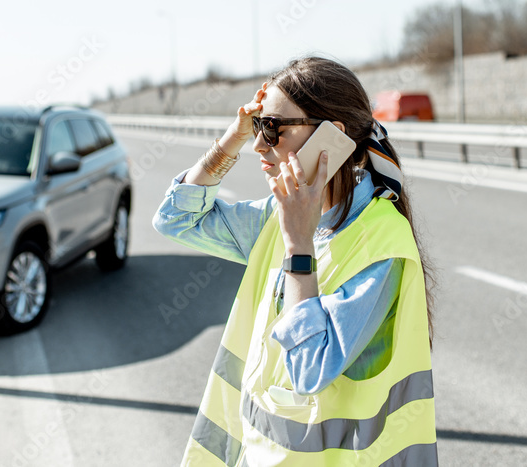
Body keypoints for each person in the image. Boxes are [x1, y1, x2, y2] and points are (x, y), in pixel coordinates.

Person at [152, 56, 438, 466]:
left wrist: (298, 246)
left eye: (272, 128)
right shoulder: (276, 216)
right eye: (257, 126)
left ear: (332, 139)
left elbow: (309, 371)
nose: (258, 145)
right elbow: (175, 219)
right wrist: (231, 138)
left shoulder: (381, 243)